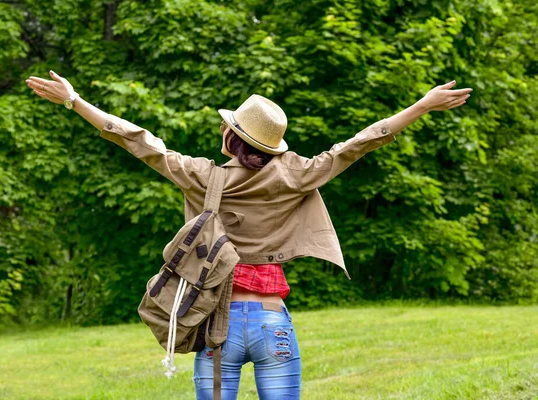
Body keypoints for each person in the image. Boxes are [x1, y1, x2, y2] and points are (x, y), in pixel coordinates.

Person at [26, 72, 472, 399]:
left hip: (216, 327)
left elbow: (137, 139)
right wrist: (422, 105)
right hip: (272, 323)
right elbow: (359, 143)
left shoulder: (201, 175)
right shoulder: (296, 174)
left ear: (230, 135)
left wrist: (75, 101)